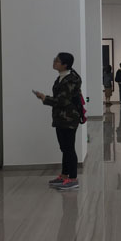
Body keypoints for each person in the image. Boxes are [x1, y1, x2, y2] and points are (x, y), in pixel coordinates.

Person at [33, 52, 82, 190]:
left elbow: (63, 100)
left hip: (69, 119)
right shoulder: (61, 77)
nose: (54, 62)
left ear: (65, 65)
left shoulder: (71, 79)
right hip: (60, 118)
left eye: (57, 60)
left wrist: (45, 98)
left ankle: (73, 179)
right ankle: (64, 176)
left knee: (69, 148)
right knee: (64, 148)